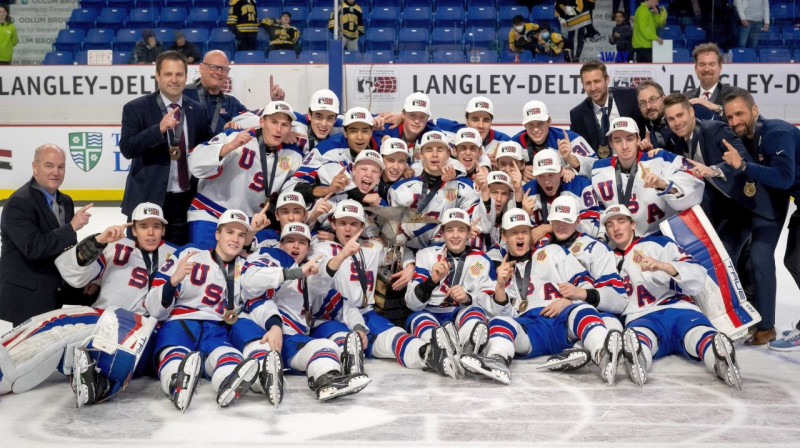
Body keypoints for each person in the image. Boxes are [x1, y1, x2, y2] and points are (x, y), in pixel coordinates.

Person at [460, 208, 622, 386]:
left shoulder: (553, 252)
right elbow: (504, 314)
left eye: (524, 232)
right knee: (499, 323)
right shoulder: (499, 269)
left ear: (531, 234)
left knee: (584, 310)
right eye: (514, 233)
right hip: (531, 329)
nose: (520, 237)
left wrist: (569, 300)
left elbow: (584, 286)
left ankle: (602, 353)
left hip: (561, 320)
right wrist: (500, 285)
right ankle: (497, 360)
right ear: (504, 236)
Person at [600, 205, 742, 389]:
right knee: (640, 337)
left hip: (678, 309)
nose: (616, 228)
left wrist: (665, 266)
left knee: (697, 333)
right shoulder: (606, 259)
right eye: (610, 225)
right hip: (640, 317)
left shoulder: (658, 243)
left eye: (621, 221)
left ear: (633, 224)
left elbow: (698, 274)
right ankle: (637, 355)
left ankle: (719, 357)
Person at [145, 210, 268, 412]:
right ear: (217, 234)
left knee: (226, 353)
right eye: (230, 232)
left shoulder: (247, 268)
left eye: (241, 235)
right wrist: (173, 280)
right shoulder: (189, 253)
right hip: (181, 321)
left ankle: (227, 382)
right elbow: (153, 306)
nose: (235, 239)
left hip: (217, 325)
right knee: (173, 351)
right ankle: (176, 383)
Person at [239, 222, 371, 402]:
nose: (295, 246)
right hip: (265, 335)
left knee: (327, 342)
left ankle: (328, 378)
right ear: (280, 244)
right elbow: (251, 279)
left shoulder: (307, 276)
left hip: (290, 339)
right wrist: (292, 273)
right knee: (320, 346)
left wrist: (358, 327)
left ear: (308, 248)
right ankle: (261, 376)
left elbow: (334, 295)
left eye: (301, 242)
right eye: (290, 241)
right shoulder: (273, 256)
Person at [720, 88, 800, 346]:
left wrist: (743, 166)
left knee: (795, 261)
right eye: (729, 117)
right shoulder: (748, 135)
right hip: (793, 204)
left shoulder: (777, 132)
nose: (734, 121)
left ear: (755, 110)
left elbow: (784, 177)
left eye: (739, 114)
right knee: (784, 260)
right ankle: (766, 327)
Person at [119, 51, 213, 246]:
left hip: (185, 202)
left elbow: (207, 147)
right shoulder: (136, 108)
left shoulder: (197, 109)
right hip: (148, 200)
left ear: (186, 77)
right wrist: (158, 129)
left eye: (179, 74)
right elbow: (128, 148)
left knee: (180, 261)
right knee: (142, 264)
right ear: (157, 76)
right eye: (168, 74)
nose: (174, 80)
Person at [187, 100, 301, 248]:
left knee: (240, 268)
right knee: (205, 262)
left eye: (284, 125)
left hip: (248, 222)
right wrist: (229, 147)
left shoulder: (293, 155)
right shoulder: (236, 136)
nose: (278, 129)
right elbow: (194, 163)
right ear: (262, 121)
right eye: (273, 122)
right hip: (211, 212)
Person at [0, 144, 91, 326]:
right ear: (35, 167)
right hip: (26, 294)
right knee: (27, 353)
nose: (55, 172)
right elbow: (34, 247)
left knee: (101, 291)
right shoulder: (19, 203)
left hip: (53, 284)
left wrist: (85, 277)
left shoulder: (64, 201)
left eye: (60, 167)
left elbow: (67, 247)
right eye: (49, 166)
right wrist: (71, 227)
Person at [405, 209, 502, 369]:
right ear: (442, 232)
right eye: (450, 230)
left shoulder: (481, 259)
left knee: (475, 313)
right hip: (430, 312)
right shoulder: (426, 255)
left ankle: (468, 350)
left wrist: (468, 298)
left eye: (461, 230)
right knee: (419, 318)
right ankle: (438, 351)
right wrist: (432, 281)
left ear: (469, 233)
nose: (455, 235)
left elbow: (493, 305)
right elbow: (412, 304)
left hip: (460, 313)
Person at [592, 117, 704, 236]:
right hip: (622, 242)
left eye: (629, 139)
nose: (624, 146)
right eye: (618, 140)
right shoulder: (599, 169)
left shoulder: (660, 159)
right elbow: (598, 209)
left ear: (638, 139)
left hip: (663, 236)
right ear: (611, 144)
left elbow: (695, 187)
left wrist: (663, 185)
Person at [569, 61, 644, 159]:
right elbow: (578, 150)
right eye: (588, 83)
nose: (593, 88)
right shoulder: (577, 115)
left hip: (636, 161)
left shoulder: (631, 97)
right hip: (600, 168)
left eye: (597, 81)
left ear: (607, 79)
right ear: (583, 84)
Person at [183, 51, 247, 136]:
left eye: (223, 69)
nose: (219, 72)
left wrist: (271, 104)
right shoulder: (184, 94)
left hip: (221, 149)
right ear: (201, 68)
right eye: (213, 67)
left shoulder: (232, 103)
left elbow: (256, 120)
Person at [684, 43, 736, 119]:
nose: (707, 69)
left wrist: (718, 108)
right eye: (702, 64)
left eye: (712, 64)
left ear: (720, 68)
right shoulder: (685, 99)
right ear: (696, 69)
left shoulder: (736, 95)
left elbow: (743, 117)